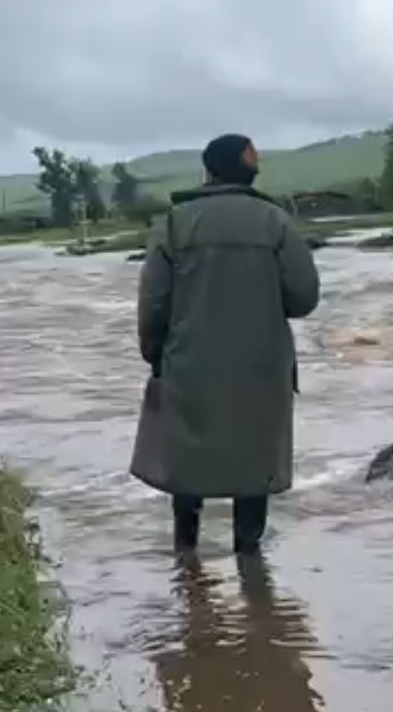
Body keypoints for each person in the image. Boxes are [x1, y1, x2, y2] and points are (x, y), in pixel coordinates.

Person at [130, 134, 321, 555]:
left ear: (209, 171)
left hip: (188, 364)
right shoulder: (275, 222)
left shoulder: (175, 223)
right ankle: (251, 568)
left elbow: (154, 303)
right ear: (248, 171)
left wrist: (155, 356)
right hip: (261, 368)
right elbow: (303, 299)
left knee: (186, 464)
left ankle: (186, 564)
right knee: (254, 468)